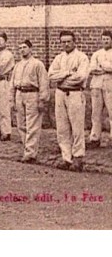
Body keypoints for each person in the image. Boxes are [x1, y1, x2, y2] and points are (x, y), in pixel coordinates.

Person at [48, 30, 91, 171]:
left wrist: (62, 78)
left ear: (74, 42)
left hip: (75, 94)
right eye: (63, 42)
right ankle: (66, 157)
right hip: (60, 93)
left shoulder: (81, 57)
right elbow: (51, 76)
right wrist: (66, 73)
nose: (66, 44)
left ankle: (78, 157)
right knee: (62, 127)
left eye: (68, 41)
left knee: (77, 127)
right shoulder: (59, 58)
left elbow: (80, 77)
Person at [9, 39, 49, 163]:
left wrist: (42, 99)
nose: (22, 50)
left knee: (32, 124)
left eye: (25, 47)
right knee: (21, 124)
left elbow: (43, 82)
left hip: (32, 93)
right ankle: (27, 148)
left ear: (31, 49)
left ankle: (31, 153)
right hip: (20, 93)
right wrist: (11, 100)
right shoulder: (18, 65)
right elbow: (12, 83)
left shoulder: (37, 64)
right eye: (20, 47)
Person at [87, 30, 112, 149]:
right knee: (95, 113)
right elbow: (91, 68)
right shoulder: (96, 54)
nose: (105, 41)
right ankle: (95, 138)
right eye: (103, 39)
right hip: (96, 85)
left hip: (110, 85)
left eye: (107, 39)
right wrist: (104, 67)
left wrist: (103, 66)